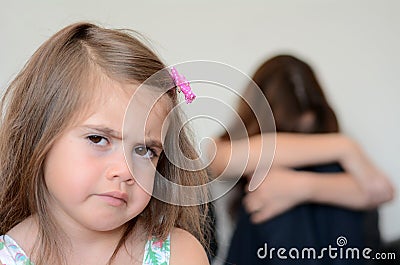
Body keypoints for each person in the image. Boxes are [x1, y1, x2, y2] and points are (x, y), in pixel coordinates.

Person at [0, 22, 211, 265]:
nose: (125, 171)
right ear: (39, 135)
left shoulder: (179, 254)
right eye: (98, 139)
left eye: (145, 151)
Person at [209, 55, 394, 264]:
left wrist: (301, 188)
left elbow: (381, 190)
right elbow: (222, 158)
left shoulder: (333, 162)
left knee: (328, 171)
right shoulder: (223, 148)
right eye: (288, 134)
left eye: (305, 133)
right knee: (269, 177)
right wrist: (344, 147)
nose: (300, 143)